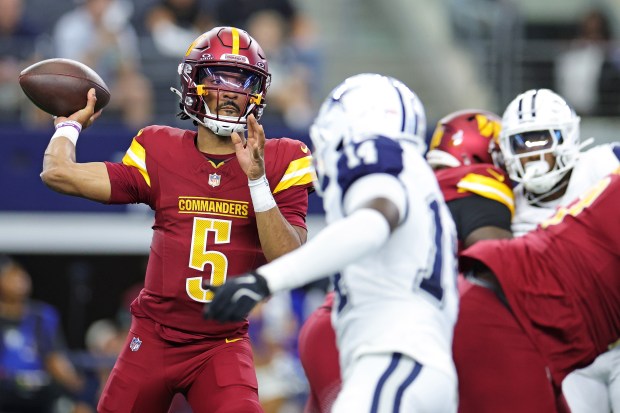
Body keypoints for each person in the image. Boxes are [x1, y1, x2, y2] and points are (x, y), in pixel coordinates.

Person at [39, 26, 314, 412]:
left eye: (242, 81)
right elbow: (57, 173)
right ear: (193, 83)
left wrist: (257, 182)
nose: (231, 93)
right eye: (219, 78)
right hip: (153, 338)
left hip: (222, 344)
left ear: (259, 91)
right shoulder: (160, 148)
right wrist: (68, 125)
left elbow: (289, 260)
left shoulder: (283, 157)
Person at [205, 73, 460, 413]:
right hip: (419, 365)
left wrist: (266, 279)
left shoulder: (375, 153)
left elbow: (373, 223)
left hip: (395, 358)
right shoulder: (417, 178)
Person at [296, 108, 514, 412]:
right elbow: (505, 267)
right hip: (384, 337)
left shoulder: (417, 185)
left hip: (337, 322)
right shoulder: (475, 187)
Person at [453, 88, 620, 412]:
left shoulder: (604, 164)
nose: (531, 154)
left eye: (541, 140)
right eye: (521, 143)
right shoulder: (505, 208)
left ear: (567, 136)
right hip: (571, 353)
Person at [0, 255, 89, 413]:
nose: (20, 280)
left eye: (20, 274)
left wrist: (73, 386)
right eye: (11, 275)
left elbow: (54, 357)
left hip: (41, 388)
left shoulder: (42, 315)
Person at [52, 0, 154, 128]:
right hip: (77, 90)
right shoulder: (71, 26)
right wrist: (99, 45)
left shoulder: (121, 28)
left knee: (138, 91)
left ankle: (137, 143)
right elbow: (71, 72)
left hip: (108, 88)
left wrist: (117, 47)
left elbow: (130, 73)